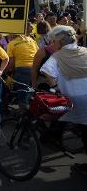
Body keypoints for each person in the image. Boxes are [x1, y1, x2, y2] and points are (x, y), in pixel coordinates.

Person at [40, 25, 87, 176]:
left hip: (74, 99)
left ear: (60, 42)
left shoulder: (57, 56)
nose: (51, 44)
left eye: (53, 41)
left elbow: (47, 72)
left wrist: (55, 88)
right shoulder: (85, 51)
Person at [6, 22, 39, 105]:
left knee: (23, 94)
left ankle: (23, 113)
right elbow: (38, 53)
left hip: (22, 70)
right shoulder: (31, 40)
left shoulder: (11, 44)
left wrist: (8, 73)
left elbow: (11, 63)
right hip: (35, 69)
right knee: (34, 93)